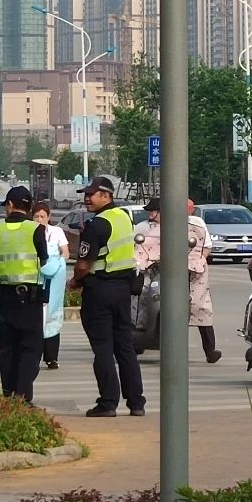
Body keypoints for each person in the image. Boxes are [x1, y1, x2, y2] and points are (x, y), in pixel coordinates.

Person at [71, 175, 145, 418]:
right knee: (125, 346)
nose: (86, 199)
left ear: (106, 196)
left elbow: (83, 264)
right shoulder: (124, 217)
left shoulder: (97, 224)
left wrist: (75, 281)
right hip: (123, 289)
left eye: (91, 194)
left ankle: (108, 402)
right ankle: (136, 402)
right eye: (86, 194)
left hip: (100, 290)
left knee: (103, 348)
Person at [0, 186, 48, 402]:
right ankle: (22, 398)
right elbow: (44, 260)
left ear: (11, 205)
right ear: (29, 206)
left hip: (5, 297)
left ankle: (8, 397)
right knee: (30, 349)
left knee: (8, 349)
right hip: (30, 299)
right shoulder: (36, 229)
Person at [33, 202, 69, 369]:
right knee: (36, 316)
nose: (39, 219)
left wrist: (58, 263)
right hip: (36, 276)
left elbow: (65, 252)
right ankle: (34, 354)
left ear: (49, 217)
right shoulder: (29, 232)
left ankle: (51, 357)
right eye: (36, 216)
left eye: (42, 216)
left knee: (52, 313)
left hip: (53, 278)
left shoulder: (57, 232)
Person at [187, 198, 221, 364]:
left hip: (195, 270)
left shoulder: (197, 224)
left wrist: (201, 260)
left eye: (189, 208)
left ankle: (210, 350)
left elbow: (207, 246)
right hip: (168, 271)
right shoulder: (161, 224)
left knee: (201, 307)